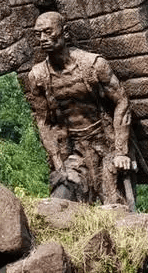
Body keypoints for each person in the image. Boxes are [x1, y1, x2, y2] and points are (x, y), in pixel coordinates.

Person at [25, 11, 136, 207]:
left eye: (48, 32)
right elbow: (43, 122)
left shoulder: (93, 65)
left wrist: (121, 152)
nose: (43, 39)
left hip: (106, 145)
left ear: (64, 33)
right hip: (74, 151)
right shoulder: (38, 76)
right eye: (38, 34)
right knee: (59, 203)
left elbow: (122, 102)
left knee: (113, 206)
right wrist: (58, 164)